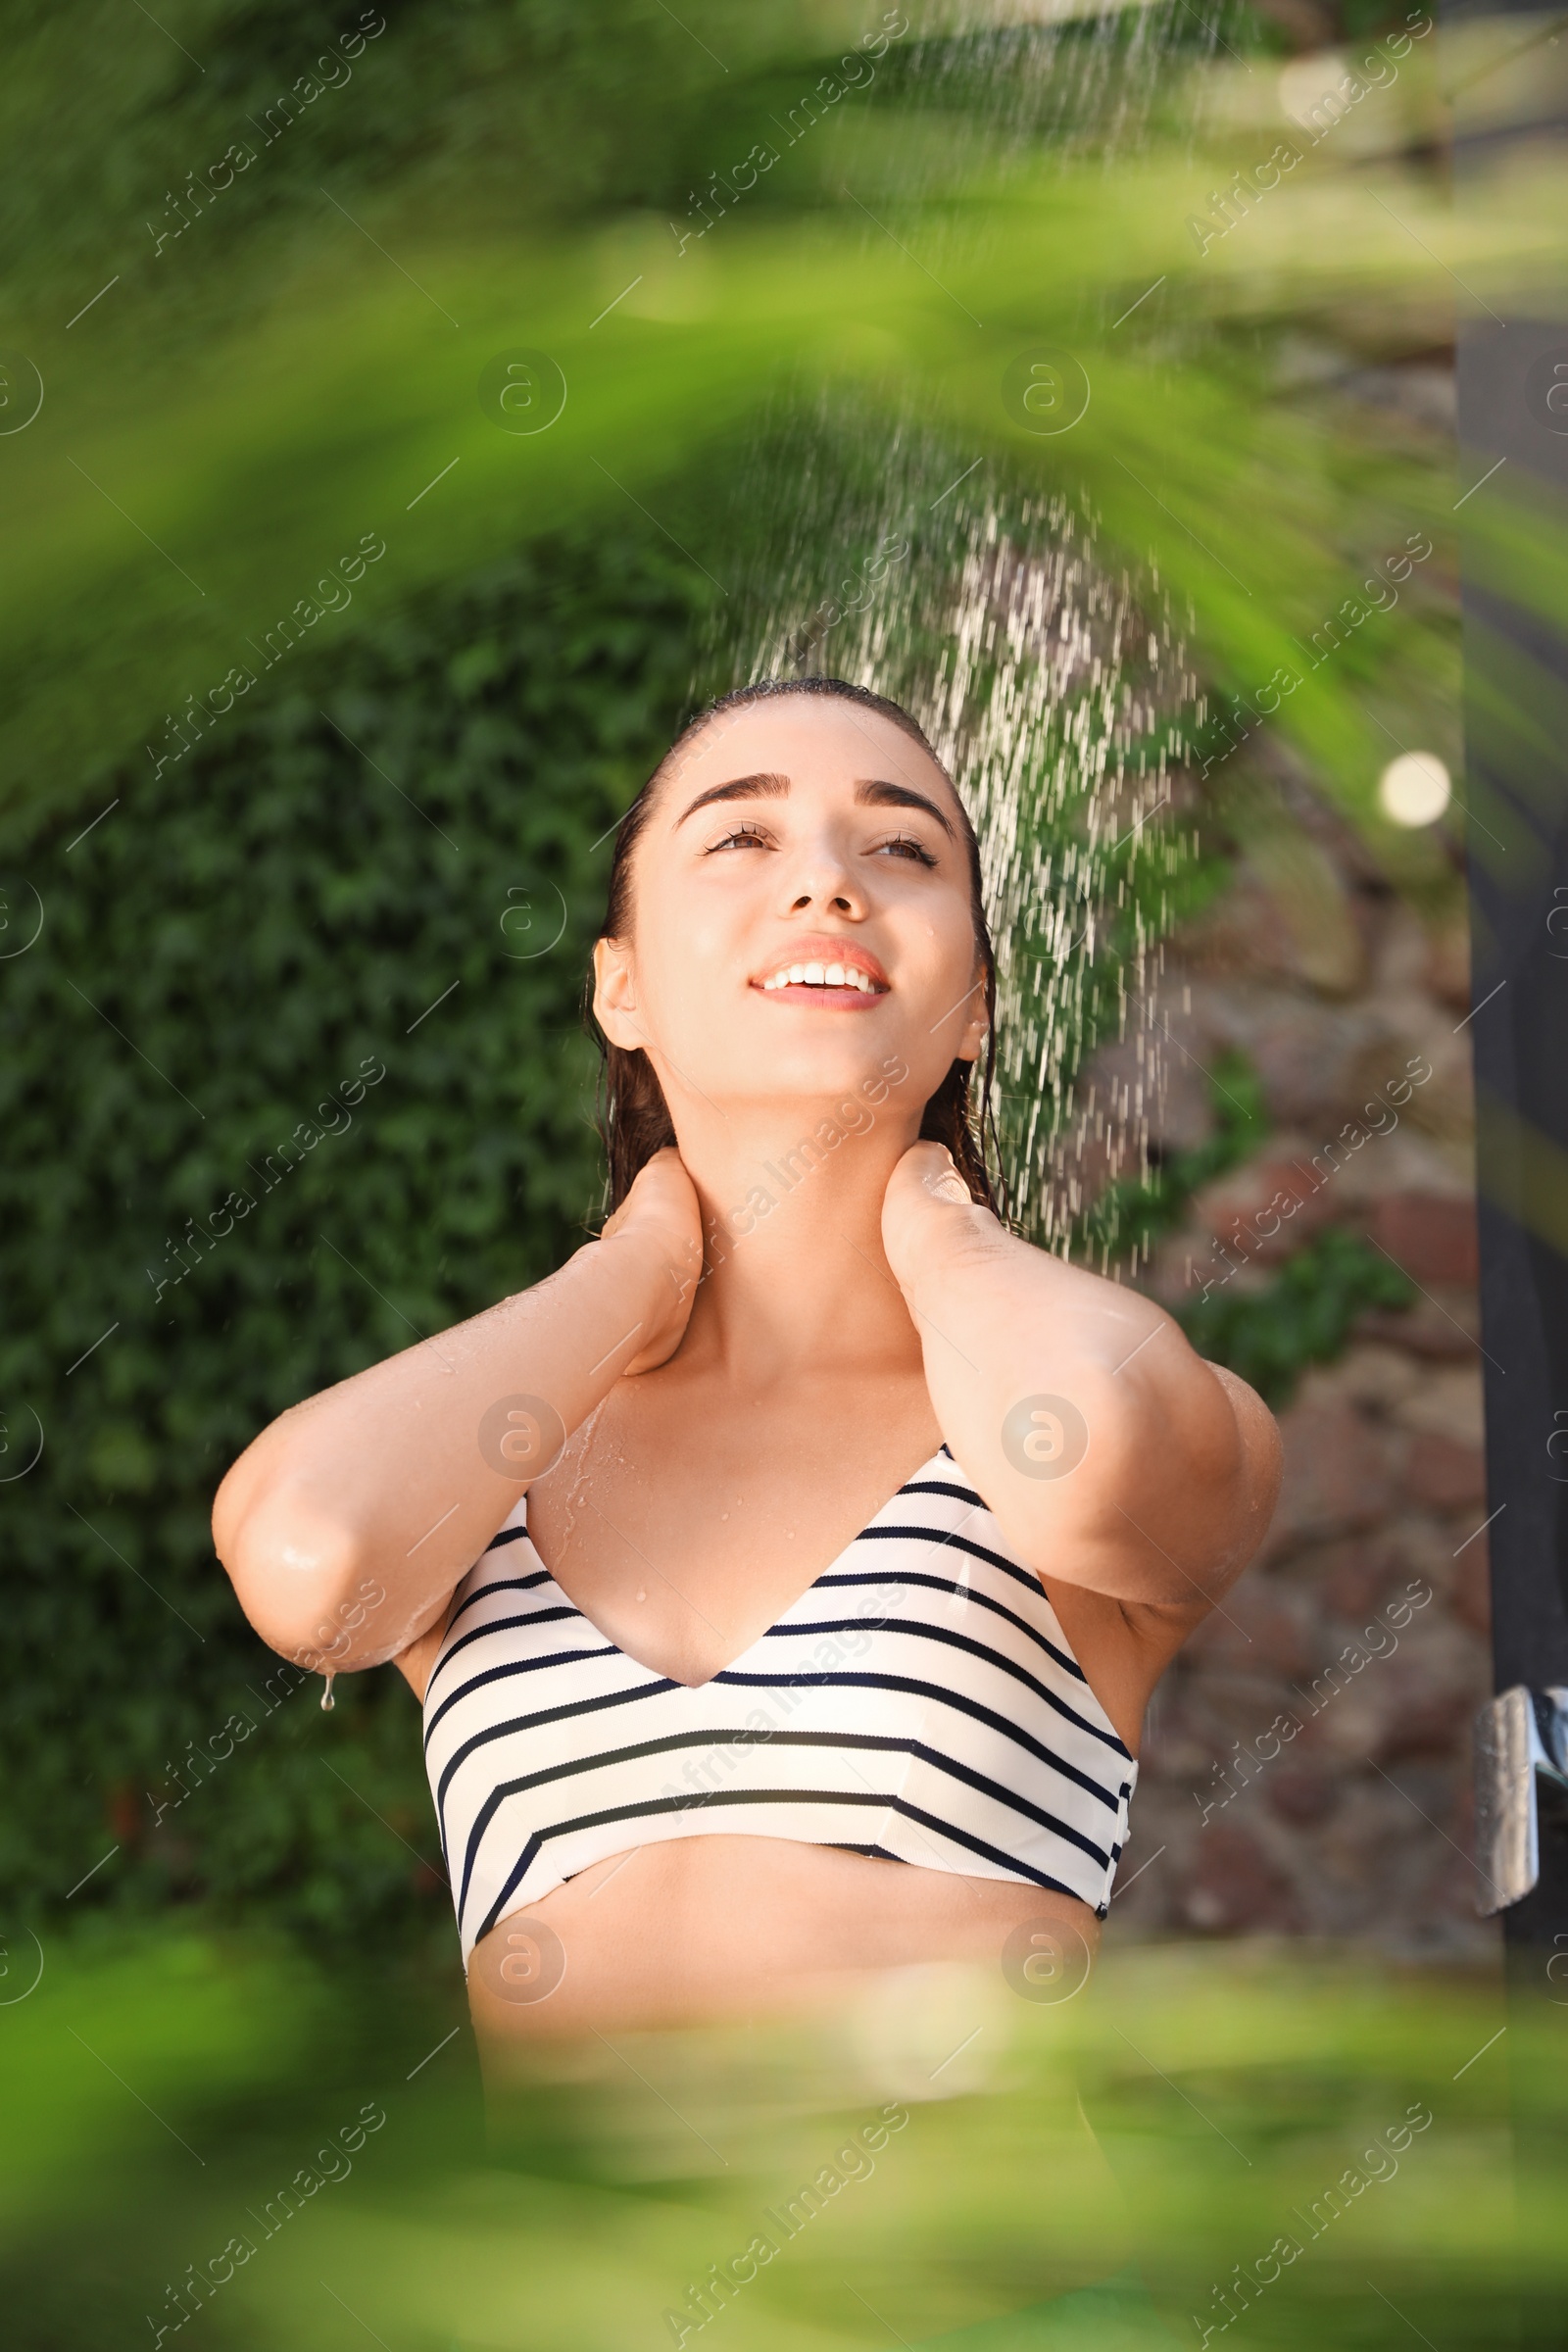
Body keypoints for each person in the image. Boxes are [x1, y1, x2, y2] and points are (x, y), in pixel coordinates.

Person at [214, 673, 1280, 2342]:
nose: (828, 880)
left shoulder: (1044, 1409)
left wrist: (934, 1217)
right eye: (747, 833)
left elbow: (1105, 1447)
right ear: (620, 987)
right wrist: (630, 1272)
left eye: (901, 849)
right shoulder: (501, 1459)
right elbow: (310, 1566)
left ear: (978, 1003)